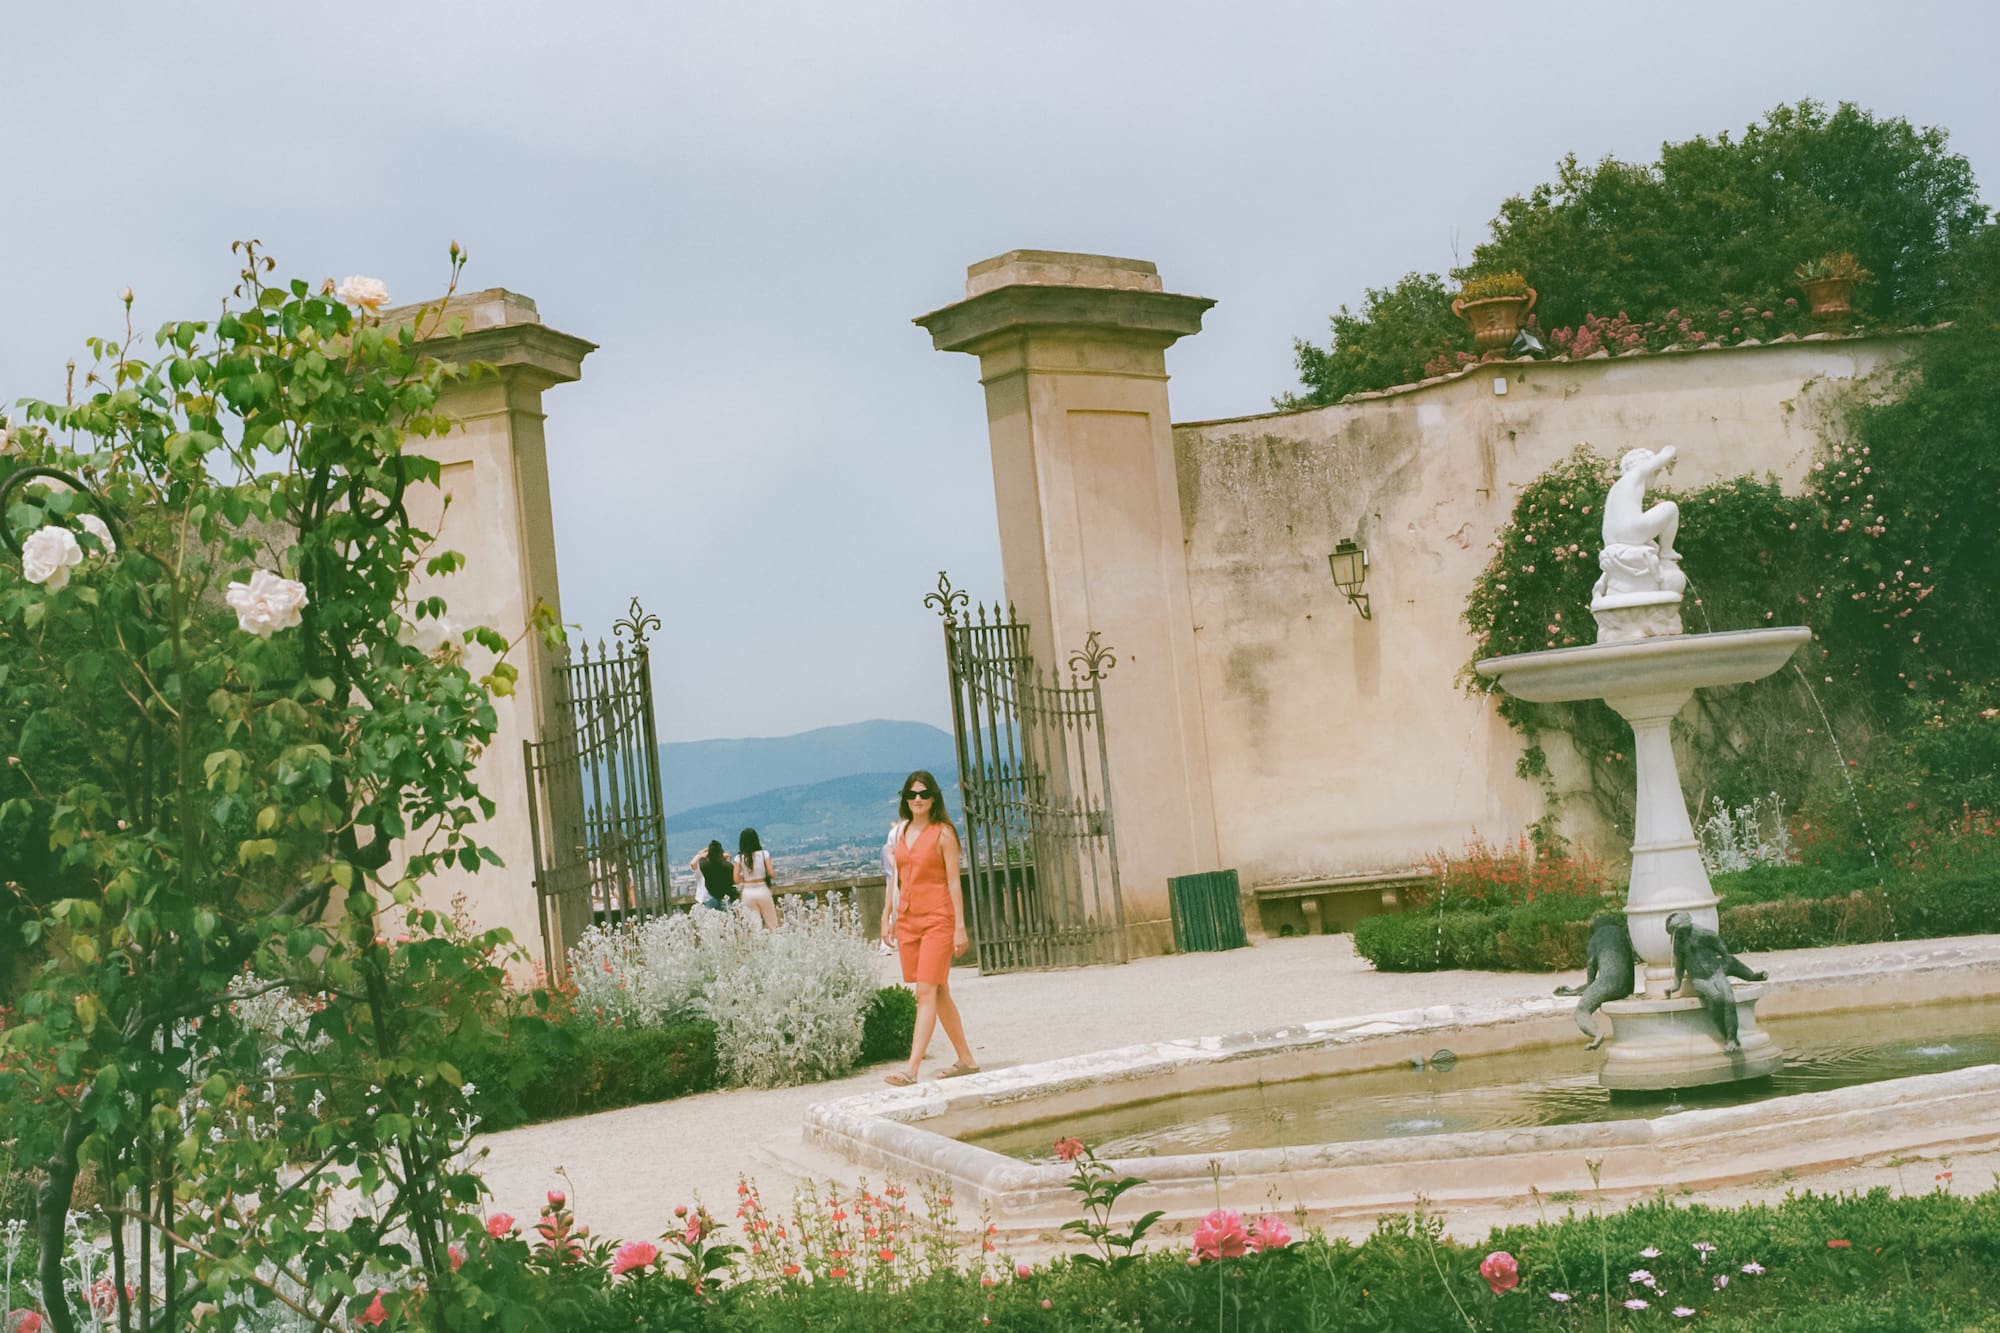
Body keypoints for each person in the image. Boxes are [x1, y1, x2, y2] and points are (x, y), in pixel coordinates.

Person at [883, 771, 979, 1086]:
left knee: (925, 991)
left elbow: (954, 882)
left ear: (934, 797)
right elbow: (894, 877)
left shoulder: (944, 833)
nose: (918, 800)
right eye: (912, 795)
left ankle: (911, 1069)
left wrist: (960, 927)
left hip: (938, 917)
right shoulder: (900, 833)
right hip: (908, 919)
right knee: (938, 991)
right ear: (905, 799)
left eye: (924, 794)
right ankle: (966, 1058)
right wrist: (887, 915)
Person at [733, 827, 780, 929]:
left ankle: (758, 944)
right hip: (763, 889)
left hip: (748, 892)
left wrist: (746, 878)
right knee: (772, 923)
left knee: (755, 926)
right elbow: (772, 873)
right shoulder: (764, 854)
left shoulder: (739, 858)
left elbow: (736, 879)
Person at [690, 839, 737, 911]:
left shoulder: (704, 865)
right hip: (713, 896)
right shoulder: (726, 866)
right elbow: (693, 864)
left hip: (711, 896)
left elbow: (693, 863)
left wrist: (703, 854)